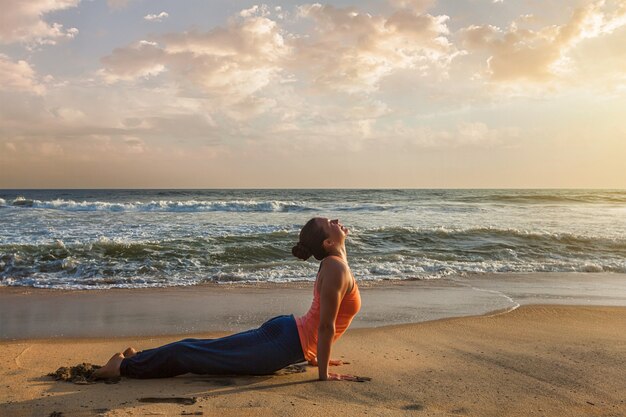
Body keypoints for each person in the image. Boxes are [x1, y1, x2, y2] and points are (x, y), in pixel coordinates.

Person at [93, 217, 363, 382]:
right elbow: (325, 325)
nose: (337, 221)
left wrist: (316, 356)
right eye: (330, 223)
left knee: (201, 349)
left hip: (289, 337)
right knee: (196, 355)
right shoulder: (335, 267)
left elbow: (322, 320)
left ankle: (139, 358)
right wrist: (324, 374)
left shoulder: (335, 265)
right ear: (327, 243)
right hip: (283, 342)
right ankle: (123, 366)